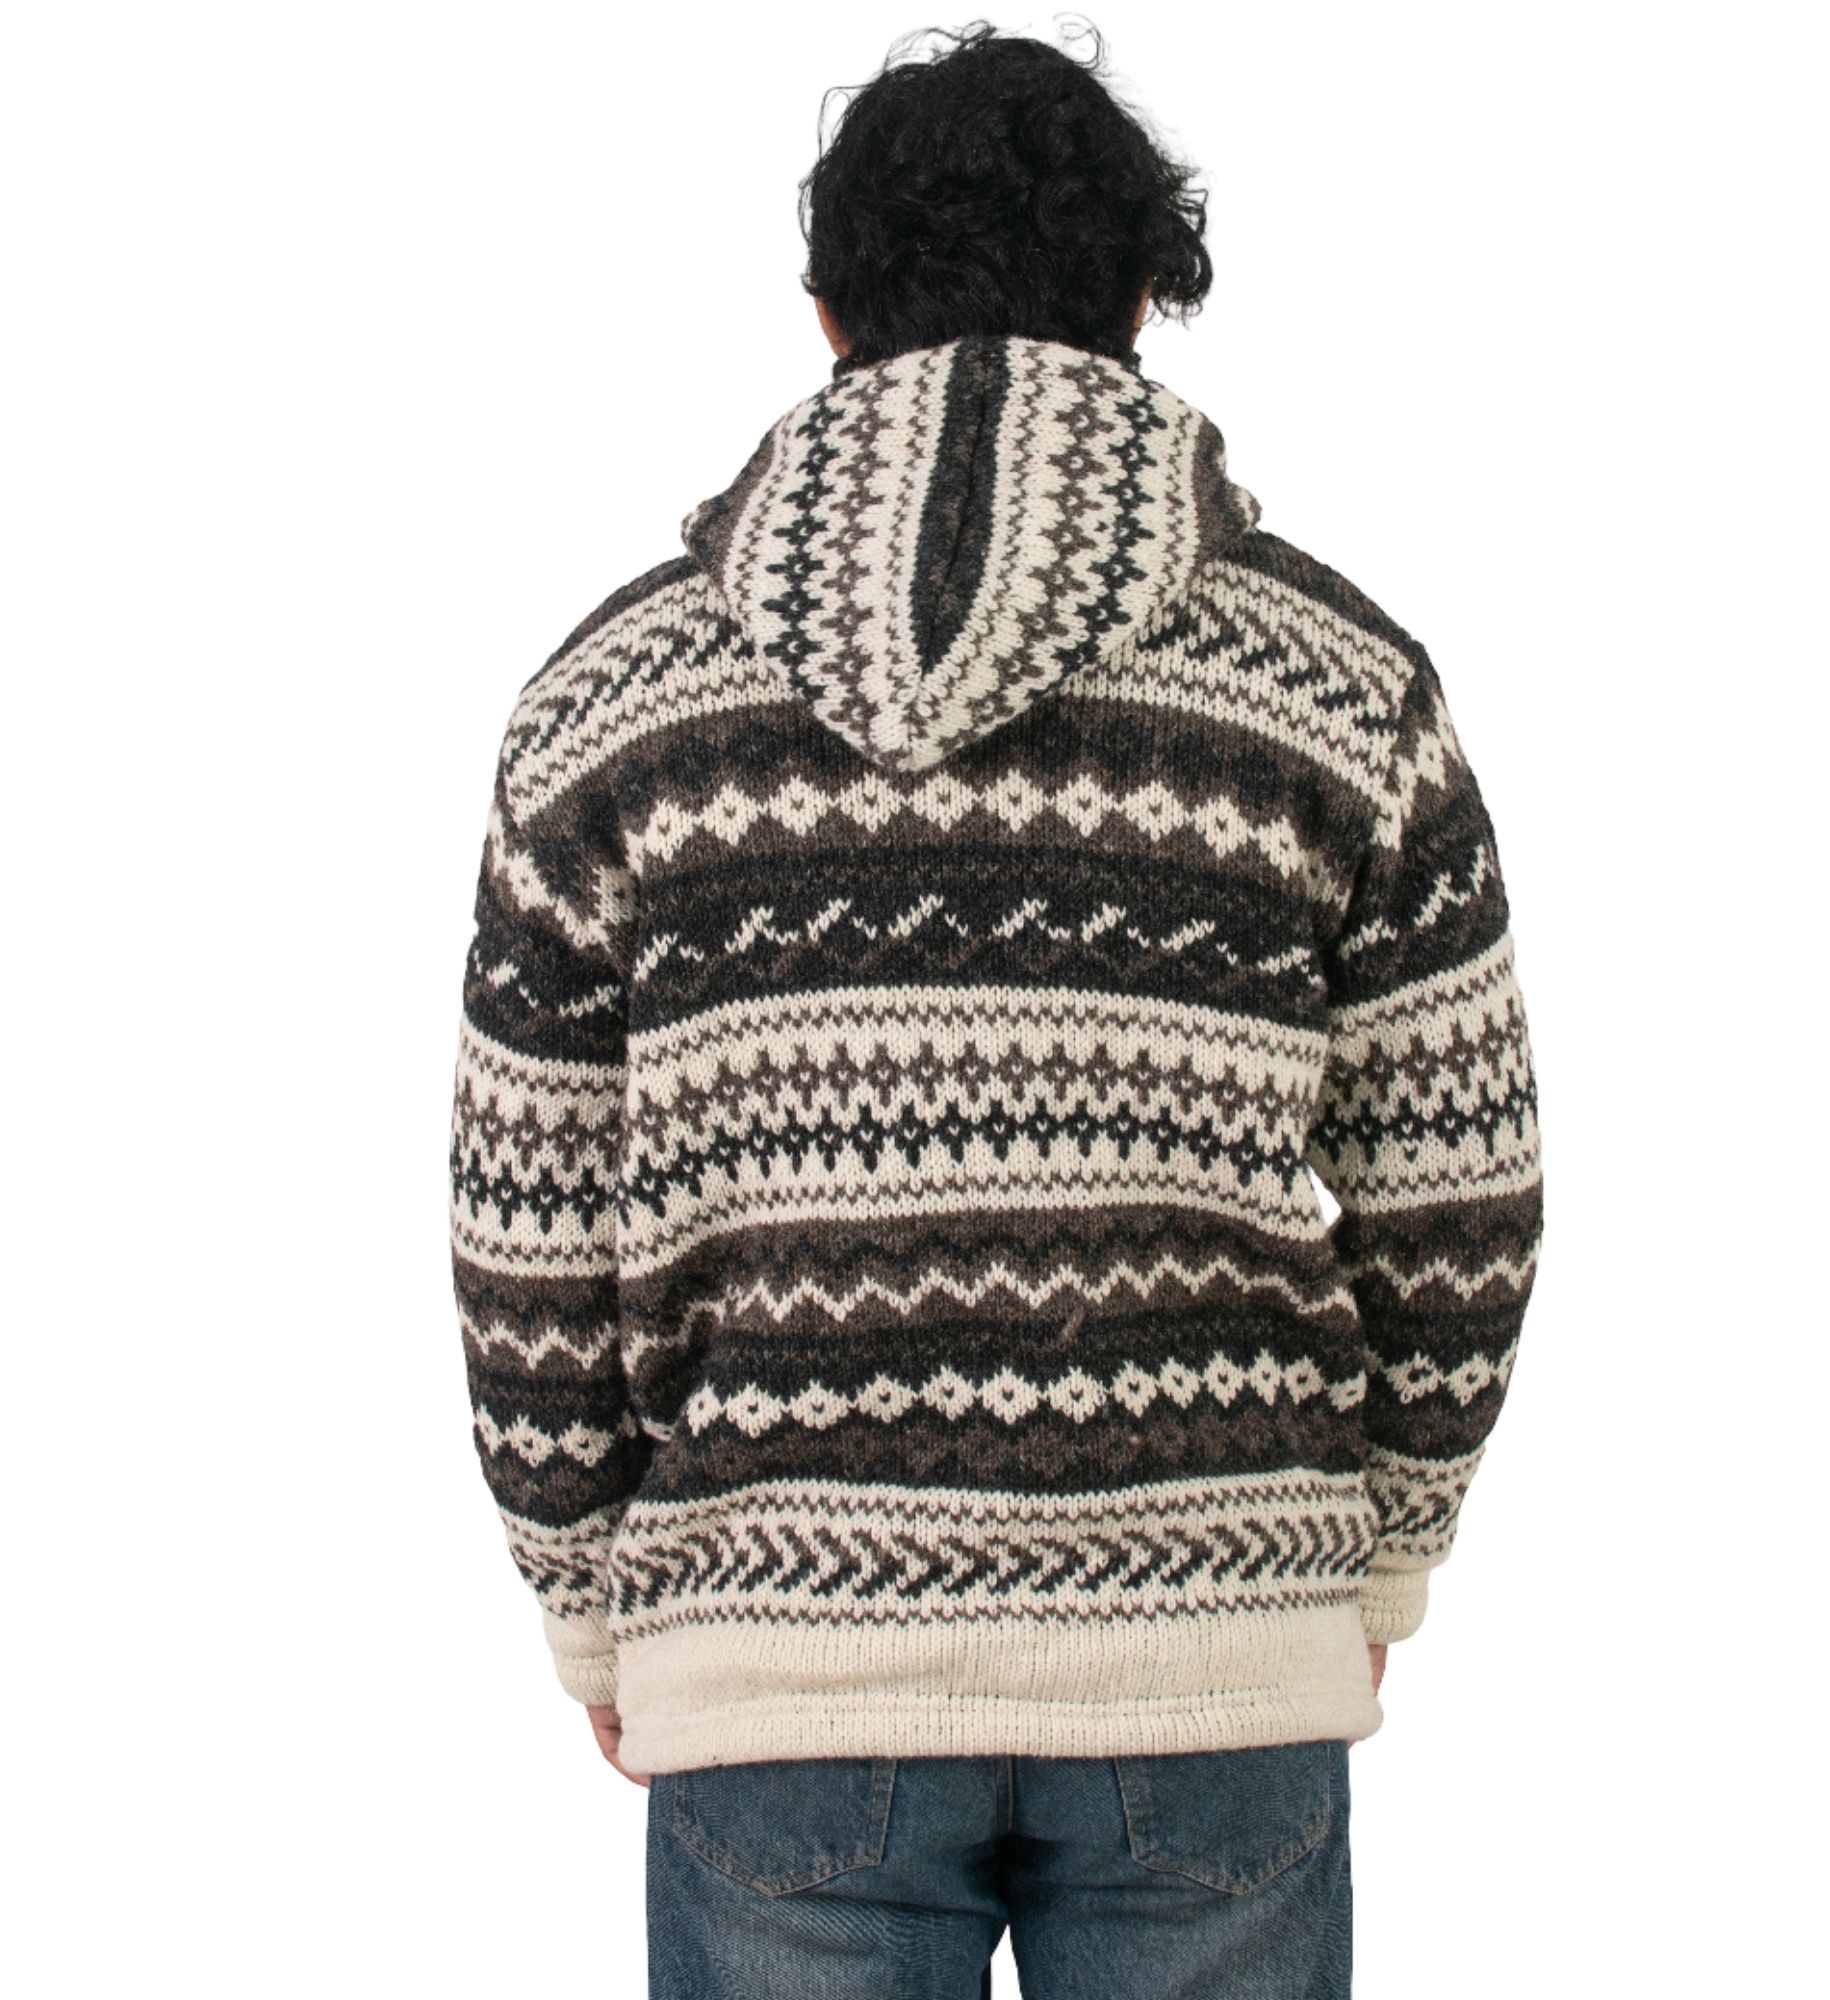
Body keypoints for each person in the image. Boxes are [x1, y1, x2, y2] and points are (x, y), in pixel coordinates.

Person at [446, 21, 1543, 1998]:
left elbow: (528, 1222)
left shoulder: (609, 710)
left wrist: (593, 1599)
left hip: (775, 1667)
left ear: (825, 311)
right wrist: (1378, 1551)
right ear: (1141, 302)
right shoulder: (1337, 687)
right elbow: (1456, 1190)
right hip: (1213, 1649)